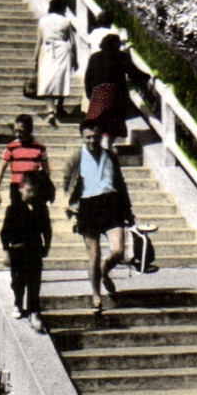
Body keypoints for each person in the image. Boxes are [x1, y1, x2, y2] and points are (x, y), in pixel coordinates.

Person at [64, 121, 134, 314]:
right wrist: (71, 206)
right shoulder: (77, 157)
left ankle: (104, 269)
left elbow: (120, 183)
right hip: (88, 206)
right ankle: (96, 294)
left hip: (112, 204)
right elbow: (67, 183)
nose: (91, 140)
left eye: (95, 136)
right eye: (87, 137)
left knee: (118, 250)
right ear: (82, 137)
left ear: (101, 136)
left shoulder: (110, 156)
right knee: (93, 255)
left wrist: (128, 211)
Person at [0, 173, 52, 331]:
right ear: (21, 189)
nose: (32, 194)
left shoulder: (41, 208)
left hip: (35, 249)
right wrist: (6, 251)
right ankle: (18, 303)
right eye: (29, 190)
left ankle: (33, 310)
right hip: (18, 250)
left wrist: (46, 245)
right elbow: (5, 232)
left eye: (35, 191)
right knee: (18, 280)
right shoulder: (13, 208)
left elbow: (47, 229)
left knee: (34, 281)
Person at [82, 34, 150, 145]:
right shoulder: (121, 56)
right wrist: (148, 77)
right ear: (116, 44)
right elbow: (134, 73)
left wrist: (90, 95)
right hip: (115, 95)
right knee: (114, 125)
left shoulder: (94, 57)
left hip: (98, 94)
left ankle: (99, 147)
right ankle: (107, 146)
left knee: (97, 124)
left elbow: (87, 79)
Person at [0, 114, 51, 208]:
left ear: (29, 130)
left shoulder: (40, 148)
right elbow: (1, 171)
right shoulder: (11, 148)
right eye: (15, 131)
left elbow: (46, 172)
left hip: (33, 188)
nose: (17, 134)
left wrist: (47, 189)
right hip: (17, 188)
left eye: (20, 131)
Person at [35, 0, 76, 126]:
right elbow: (72, 41)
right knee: (61, 78)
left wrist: (35, 58)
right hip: (63, 49)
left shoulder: (43, 21)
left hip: (47, 49)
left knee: (47, 79)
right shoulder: (65, 21)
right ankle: (59, 106)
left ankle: (50, 110)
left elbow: (39, 40)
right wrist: (75, 58)